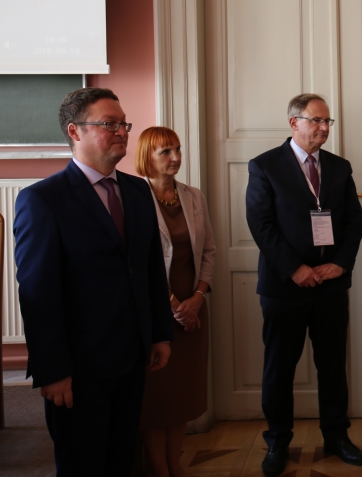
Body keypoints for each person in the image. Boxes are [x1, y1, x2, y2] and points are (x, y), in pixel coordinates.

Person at [13, 87, 174, 475]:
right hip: (78, 368)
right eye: (109, 124)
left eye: (124, 124)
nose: (121, 132)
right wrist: (52, 370)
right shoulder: (43, 200)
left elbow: (151, 268)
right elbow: (38, 293)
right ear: (75, 131)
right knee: (82, 465)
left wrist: (159, 333)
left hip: (132, 357)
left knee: (121, 460)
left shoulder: (137, 190)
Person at [246, 94, 362, 477]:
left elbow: (354, 221)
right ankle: (278, 442)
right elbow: (261, 224)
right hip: (285, 288)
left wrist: (340, 264)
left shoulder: (339, 167)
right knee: (279, 369)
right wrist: (295, 269)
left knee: (332, 366)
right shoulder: (265, 166)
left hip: (330, 285)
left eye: (328, 121)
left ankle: (337, 436)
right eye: (316, 120)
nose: (324, 128)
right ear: (294, 122)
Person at [134, 127, 216, 477]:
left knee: (183, 393)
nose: (176, 157)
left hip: (194, 309)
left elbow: (209, 250)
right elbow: (138, 260)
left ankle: (175, 464)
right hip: (156, 309)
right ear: (147, 156)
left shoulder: (193, 196)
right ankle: (158, 468)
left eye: (177, 149)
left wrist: (197, 298)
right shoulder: (135, 196)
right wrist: (172, 304)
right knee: (157, 397)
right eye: (165, 152)